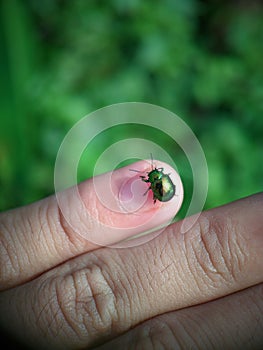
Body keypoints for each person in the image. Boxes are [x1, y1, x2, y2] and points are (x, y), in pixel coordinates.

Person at [0, 160, 262, 349]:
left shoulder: (154, 181)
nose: (153, 174)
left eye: (153, 173)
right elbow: (156, 187)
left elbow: (155, 188)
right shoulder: (156, 180)